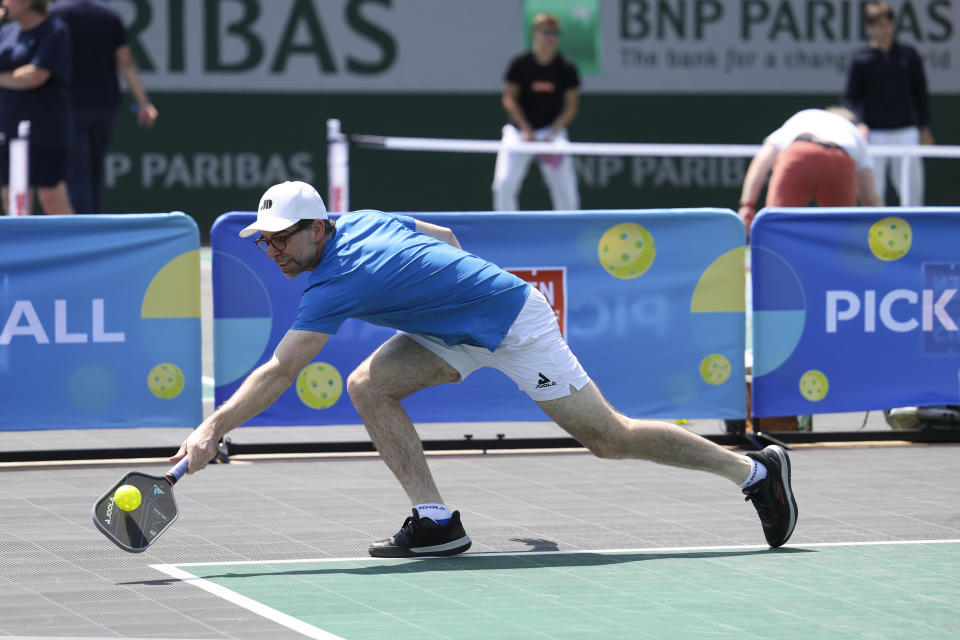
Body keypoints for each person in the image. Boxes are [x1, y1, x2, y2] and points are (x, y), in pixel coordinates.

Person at [172, 180, 799, 558]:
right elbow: (442, 236)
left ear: (317, 229)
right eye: (265, 240)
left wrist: (211, 428)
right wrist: (451, 295)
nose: (272, 249)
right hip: (460, 323)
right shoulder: (360, 220)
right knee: (368, 386)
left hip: (514, 323)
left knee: (609, 437)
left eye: (282, 238)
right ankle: (436, 523)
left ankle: (753, 471)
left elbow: (282, 371)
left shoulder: (336, 281)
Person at [48, 0, 157, 214]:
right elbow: (126, 62)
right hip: (105, 106)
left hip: (71, 106)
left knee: (78, 172)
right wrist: (142, 101)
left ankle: (87, 232)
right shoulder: (110, 15)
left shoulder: (56, 13)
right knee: (92, 171)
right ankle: (92, 228)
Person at [844, 1, 933, 206]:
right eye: (878, 25)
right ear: (870, 28)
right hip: (874, 135)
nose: (884, 30)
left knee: (912, 189)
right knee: (875, 190)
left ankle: (915, 229)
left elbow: (920, 93)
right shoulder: (860, 59)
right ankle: (876, 233)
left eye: (887, 24)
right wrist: (860, 122)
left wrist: (925, 127)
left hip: (906, 132)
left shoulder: (909, 55)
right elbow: (850, 99)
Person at [738, 107, 882, 232]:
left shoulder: (804, 117)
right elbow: (870, 198)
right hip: (839, 160)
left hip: (798, 153)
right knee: (841, 238)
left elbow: (762, 160)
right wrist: (884, 228)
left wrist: (747, 205)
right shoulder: (855, 135)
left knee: (777, 228)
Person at [492, 12, 580, 212]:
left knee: (566, 191)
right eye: (546, 32)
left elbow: (571, 105)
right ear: (535, 34)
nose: (550, 37)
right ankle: (506, 232)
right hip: (519, 133)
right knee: (503, 184)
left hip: (552, 134)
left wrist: (553, 130)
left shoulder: (566, 68)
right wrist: (526, 129)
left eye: (554, 32)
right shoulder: (520, 64)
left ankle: (567, 232)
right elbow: (509, 98)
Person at [0, 0, 73, 214]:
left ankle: (76, 247)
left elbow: (35, 76)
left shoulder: (55, 30)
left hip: (46, 128)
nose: (3, 2)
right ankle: (22, 248)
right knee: (11, 197)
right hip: (8, 125)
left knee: (51, 197)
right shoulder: (6, 31)